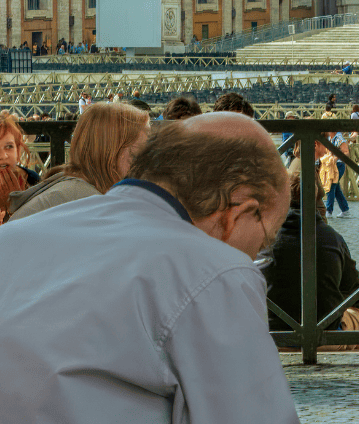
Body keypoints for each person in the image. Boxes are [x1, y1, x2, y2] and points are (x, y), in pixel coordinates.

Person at [0, 112, 299, 423]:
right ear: (240, 212)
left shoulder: (14, 236)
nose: (256, 255)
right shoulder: (218, 273)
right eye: (266, 239)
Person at [262, 174, 359, 350]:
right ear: (317, 200)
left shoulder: (262, 236)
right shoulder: (334, 238)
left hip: (269, 338)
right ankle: (347, 372)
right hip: (324, 340)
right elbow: (357, 297)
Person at [7, 103, 150, 221]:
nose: (143, 166)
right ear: (112, 153)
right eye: (137, 155)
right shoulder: (84, 201)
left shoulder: (71, 188)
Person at [0, 115, 39, 224]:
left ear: (18, 151)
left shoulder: (33, 181)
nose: (3, 156)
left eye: (9, 147)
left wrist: (14, 208)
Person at [287, 135, 329, 222]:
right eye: (326, 141)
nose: (328, 146)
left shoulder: (303, 162)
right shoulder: (304, 166)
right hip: (311, 226)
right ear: (315, 144)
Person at [325, 131, 351, 218]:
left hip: (338, 165)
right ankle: (345, 210)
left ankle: (329, 211)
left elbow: (346, 152)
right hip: (331, 165)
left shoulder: (339, 138)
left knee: (331, 185)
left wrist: (336, 158)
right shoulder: (329, 137)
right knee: (336, 188)